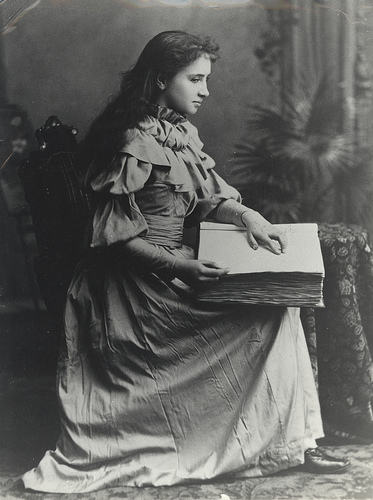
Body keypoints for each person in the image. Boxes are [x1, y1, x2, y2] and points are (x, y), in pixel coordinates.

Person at [22, 31, 350, 493]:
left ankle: (292, 440)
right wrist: (182, 268)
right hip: (132, 285)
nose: (205, 90)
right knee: (272, 311)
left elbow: (211, 198)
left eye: (206, 80)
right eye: (195, 79)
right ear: (160, 78)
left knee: (279, 302)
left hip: (172, 268)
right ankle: (282, 442)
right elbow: (114, 241)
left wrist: (249, 216)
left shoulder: (177, 132)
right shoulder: (130, 138)